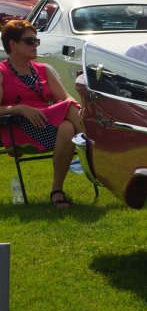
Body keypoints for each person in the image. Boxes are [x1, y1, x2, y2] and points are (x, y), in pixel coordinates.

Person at [0, 19, 84, 208]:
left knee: (67, 125)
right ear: (13, 44)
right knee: (69, 111)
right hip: (18, 127)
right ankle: (96, 150)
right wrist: (21, 108)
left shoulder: (43, 70)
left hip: (47, 122)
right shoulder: (2, 72)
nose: (36, 44)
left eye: (37, 40)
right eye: (30, 41)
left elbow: (66, 98)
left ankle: (57, 191)